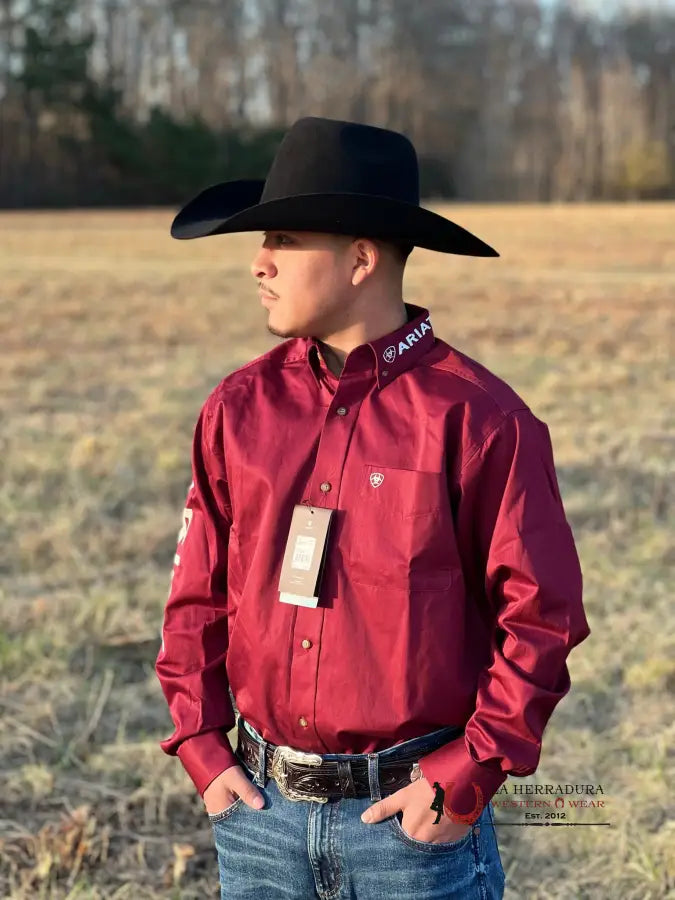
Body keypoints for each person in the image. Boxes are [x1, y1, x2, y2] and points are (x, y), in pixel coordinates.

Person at [155, 116, 591, 899]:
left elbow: (542, 617)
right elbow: (194, 599)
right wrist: (201, 744)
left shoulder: (481, 421)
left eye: (283, 239)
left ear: (360, 258)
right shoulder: (236, 409)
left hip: (407, 832)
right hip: (256, 819)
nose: (258, 263)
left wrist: (469, 773)